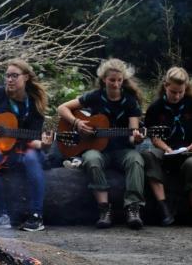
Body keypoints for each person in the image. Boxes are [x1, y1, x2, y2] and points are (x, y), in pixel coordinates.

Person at [57, 58, 146, 229]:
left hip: (122, 150)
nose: (115, 84)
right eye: (112, 80)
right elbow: (62, 108)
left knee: (136, 160)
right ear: (104, 79)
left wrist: (136, 138)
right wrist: (77, 123)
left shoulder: (130, 102)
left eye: (119, 80)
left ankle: (133, 208)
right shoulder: (95, 96)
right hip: (98, 149)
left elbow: (132, 133)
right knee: (91, 159)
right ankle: (104, 209)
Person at [0, 59, 52, 232]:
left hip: (25, 148)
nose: (9, 80)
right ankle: (2, 214)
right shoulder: (0, 94)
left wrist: (44, 144)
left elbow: (34, 139)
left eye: (14, 76)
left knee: (31, 158)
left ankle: (36, 216)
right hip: (2, 148)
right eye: (7, 76)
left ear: (26, 78)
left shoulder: (35, 104)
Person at [142, 67, 192, 229]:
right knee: (148, 155)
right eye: (173, 92)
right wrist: (166, 148)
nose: (176, 96)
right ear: (165, 85)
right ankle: (164, 208)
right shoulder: (156, 107)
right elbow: (154, 137)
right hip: (166, 150)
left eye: (180, 92)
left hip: (189, 151)